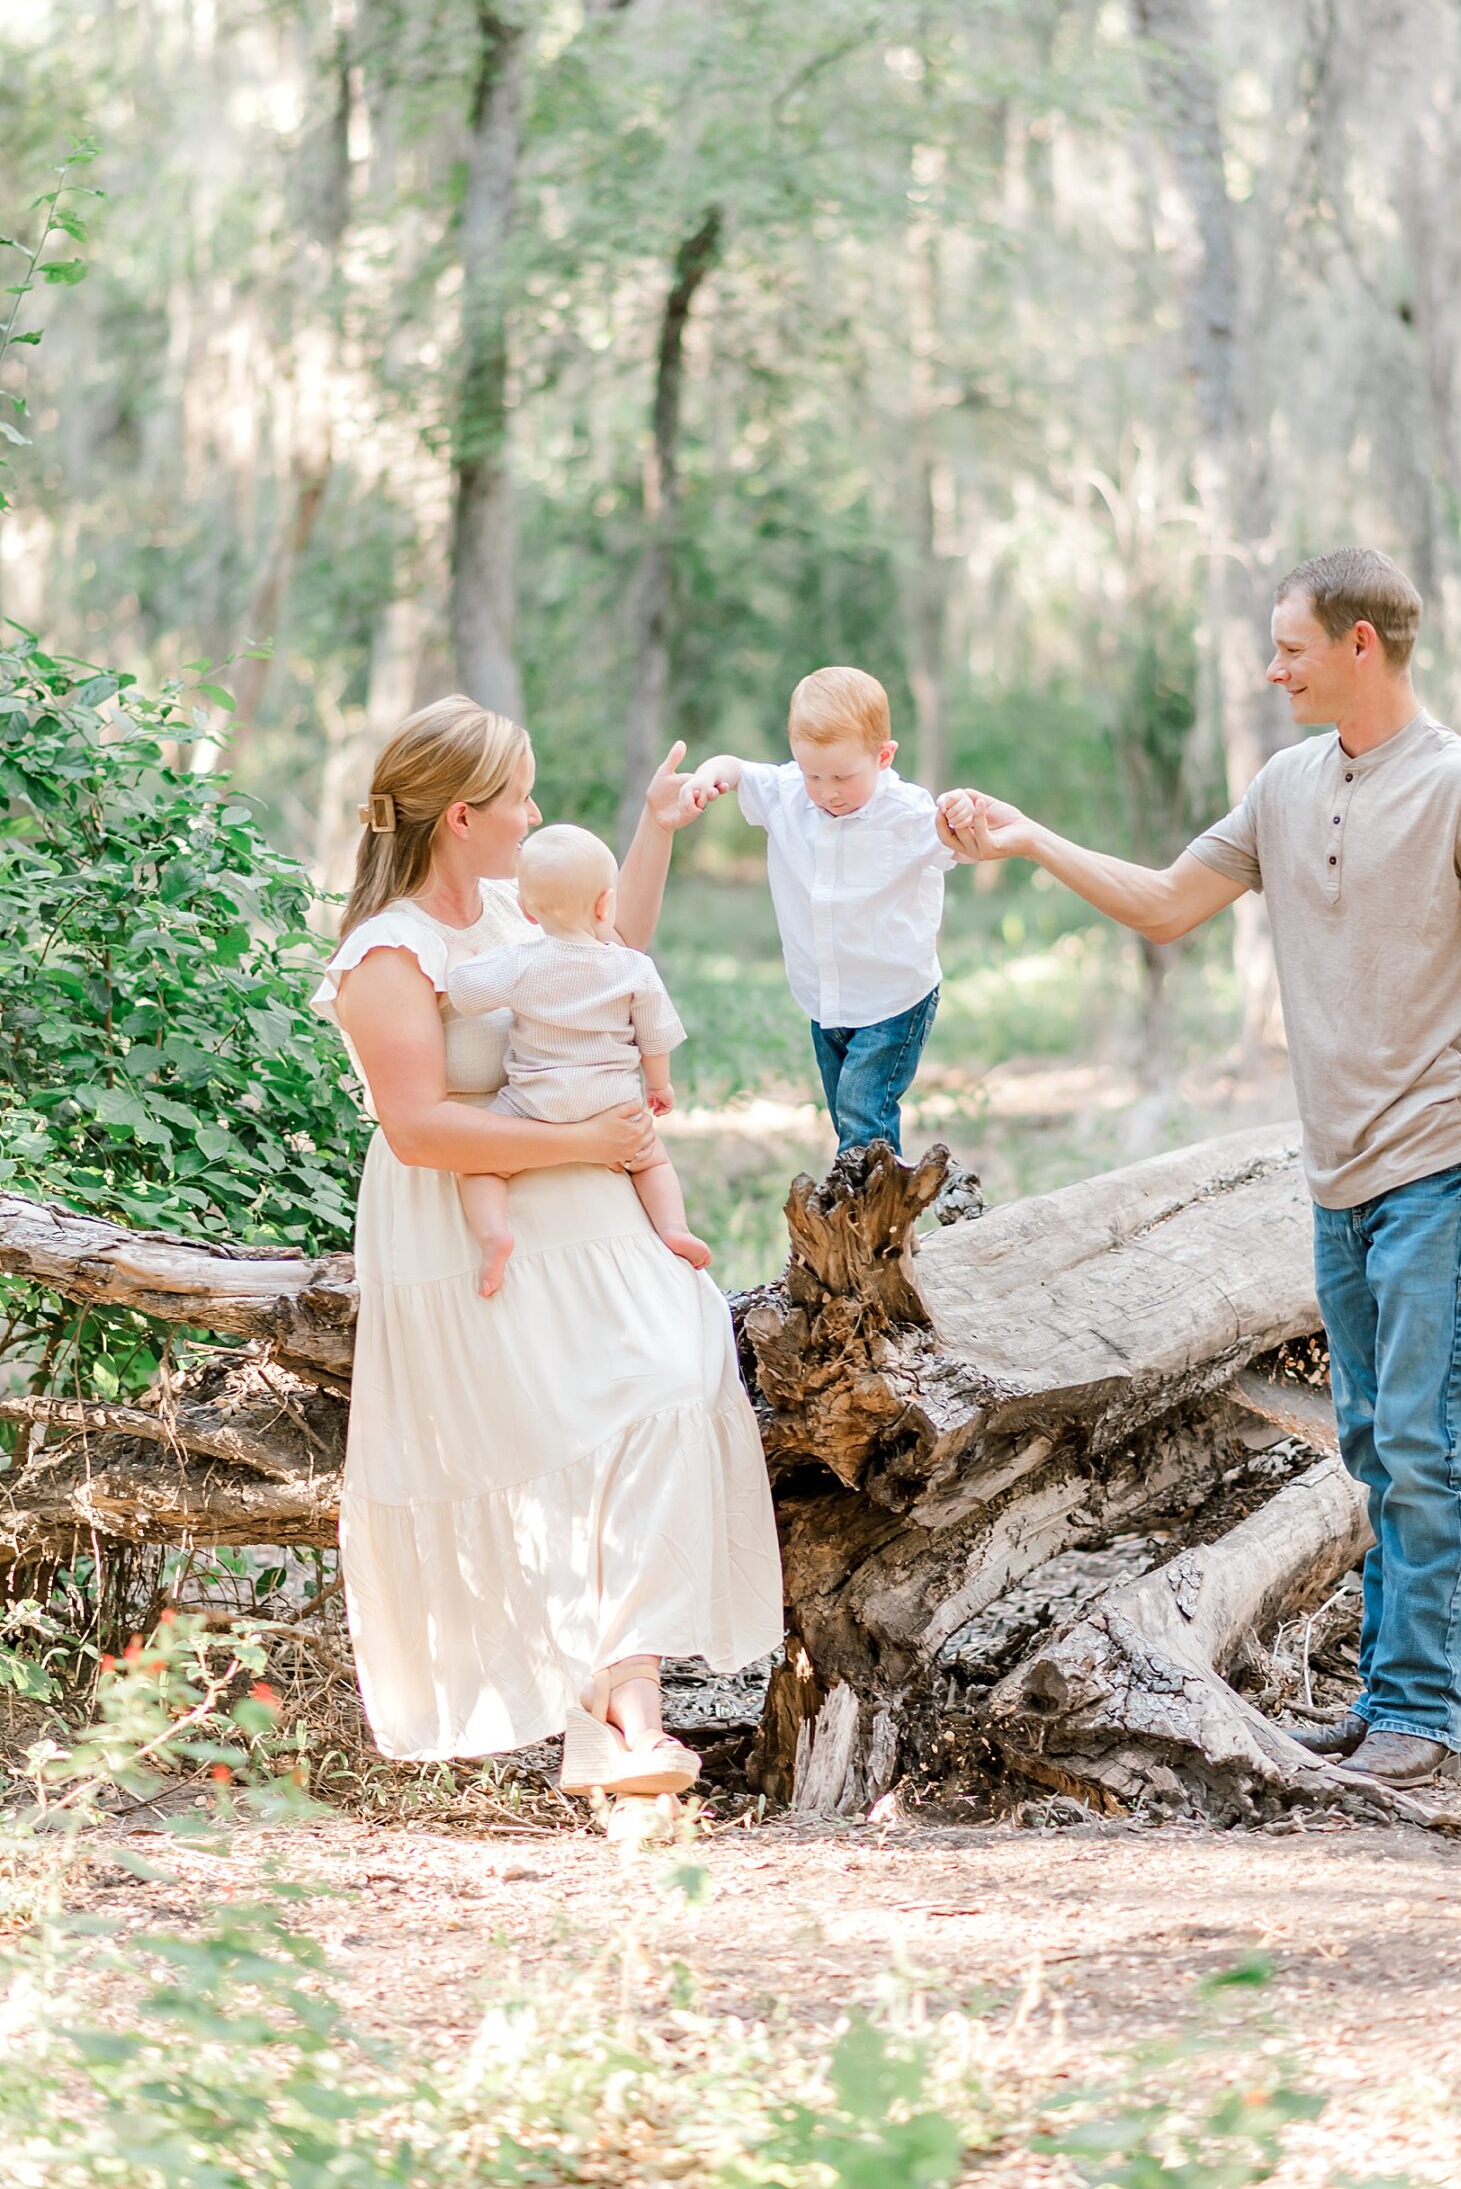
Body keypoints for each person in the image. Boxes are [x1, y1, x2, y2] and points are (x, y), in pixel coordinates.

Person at [939, 548, 1461, 1789]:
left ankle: (1421, 1712)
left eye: (1287, 646)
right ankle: (1395, 1696)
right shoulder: (1286, 783)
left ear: (1358, 647)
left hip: (1440, 1159)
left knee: (1418, 1438)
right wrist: (1030, 841)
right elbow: (1169, 902)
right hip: (1334, 1173)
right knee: (1367, 1440)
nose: (1268, 666)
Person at [312, 697, 783, 1803]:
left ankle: (617, 1721)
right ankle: (626, 1730)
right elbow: (418, 1124)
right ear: (462, 815)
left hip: (584, 1207)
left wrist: (655, 830)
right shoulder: (390, 951)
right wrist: (577, 1137)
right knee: (566, 1432)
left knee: (676, 1369)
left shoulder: (522, 908)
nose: (534, 812)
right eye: (518, 796)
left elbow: (612, 955)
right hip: (465, 1222)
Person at [688, 666, 974, 1155]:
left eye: (843, 776)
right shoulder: (786, 793)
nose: (827, 791)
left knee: (864, 1117)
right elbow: (737, 768)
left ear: (883, 756)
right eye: (812, 774)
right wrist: (709, 774)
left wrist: (964, 814)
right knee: (846, 1112)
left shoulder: (908, 813)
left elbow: (964, 847)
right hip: (823, 997)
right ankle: (872, 1212)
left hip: (893, 995)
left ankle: (867, 1220)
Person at [445, 821, 709, 1297]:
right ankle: (672, 1228)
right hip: (611, 1103)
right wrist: (659, 1087)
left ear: (525, 908)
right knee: (651, 1161)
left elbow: (465, 993)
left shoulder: (523, 960)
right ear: (606, 903)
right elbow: (655, 1034)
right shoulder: (632, 966)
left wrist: (462, 958)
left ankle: (494, 1237)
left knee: (479, 1163)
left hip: (536, 1102)